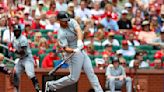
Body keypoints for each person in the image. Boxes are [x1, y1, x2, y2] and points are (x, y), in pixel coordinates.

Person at [45, 11, 103, 92]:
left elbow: (79, 30)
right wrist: (74, 50)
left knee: (91, 74)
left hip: (81, 50)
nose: (66, 22)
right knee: (73, 78)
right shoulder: (61, 33)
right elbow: (65, 48)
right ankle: (51, 85)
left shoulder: (71, 21)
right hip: (72, 54)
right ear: (59, 21)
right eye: (64, 20)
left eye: (67, 20)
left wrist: (79, 41)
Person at [8, 25, 41, 92]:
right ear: (14, 31)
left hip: (27, 58)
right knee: (15, 74)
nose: (17, 32)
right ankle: (16, 90)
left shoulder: (23, 39)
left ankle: (38, 90)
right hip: (21, 59)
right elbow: (12, 44)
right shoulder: (14, 38)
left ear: (20, 31)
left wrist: (13, 50)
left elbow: (22, 52)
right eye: (15, 31)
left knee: (30, 74)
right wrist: (10, 45)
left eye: (18, 31)